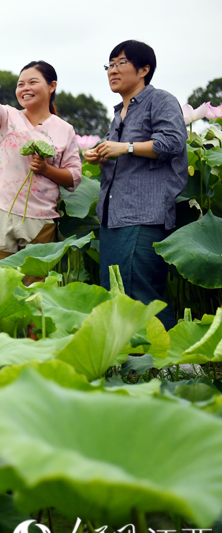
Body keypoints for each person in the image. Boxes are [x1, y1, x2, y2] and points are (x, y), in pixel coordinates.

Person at [84, 40, 186, 330]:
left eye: (121, 63)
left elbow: (173, 142)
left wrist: (125, 147)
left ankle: (173, 354)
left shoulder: (160, 100)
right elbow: (124, 163)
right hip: (113, 217)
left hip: (144, 214)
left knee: (141, 294)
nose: (112, 70)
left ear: (143, 70)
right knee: (116, 295)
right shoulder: (119, 112)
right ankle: (132, 356)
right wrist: (101, 157)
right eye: (110, 65)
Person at [0, 62, 82, 285]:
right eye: (21, 84)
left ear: (52, 86)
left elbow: (73, 178)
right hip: (1, 211)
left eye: (32, 82)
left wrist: (46, 169)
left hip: (40, 219)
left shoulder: (64, 130)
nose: (25, 88)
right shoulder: (9, 117)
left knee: (35, 288)